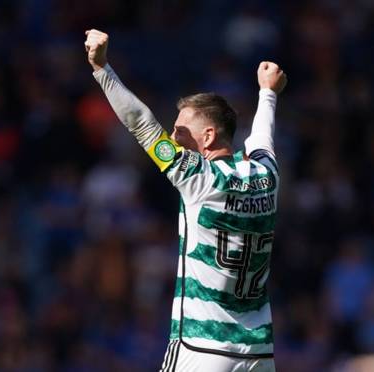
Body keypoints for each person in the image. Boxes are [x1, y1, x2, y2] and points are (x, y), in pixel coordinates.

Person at [84, 29, 287, 372]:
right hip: (258, 353)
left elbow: (142, 125)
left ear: (208, 136)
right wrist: (267, 93)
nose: (173, 137)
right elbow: (263, 137)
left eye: (180, 130)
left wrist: (102, 69)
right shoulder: (267, 177)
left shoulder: (200, 178)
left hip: (201, 347)